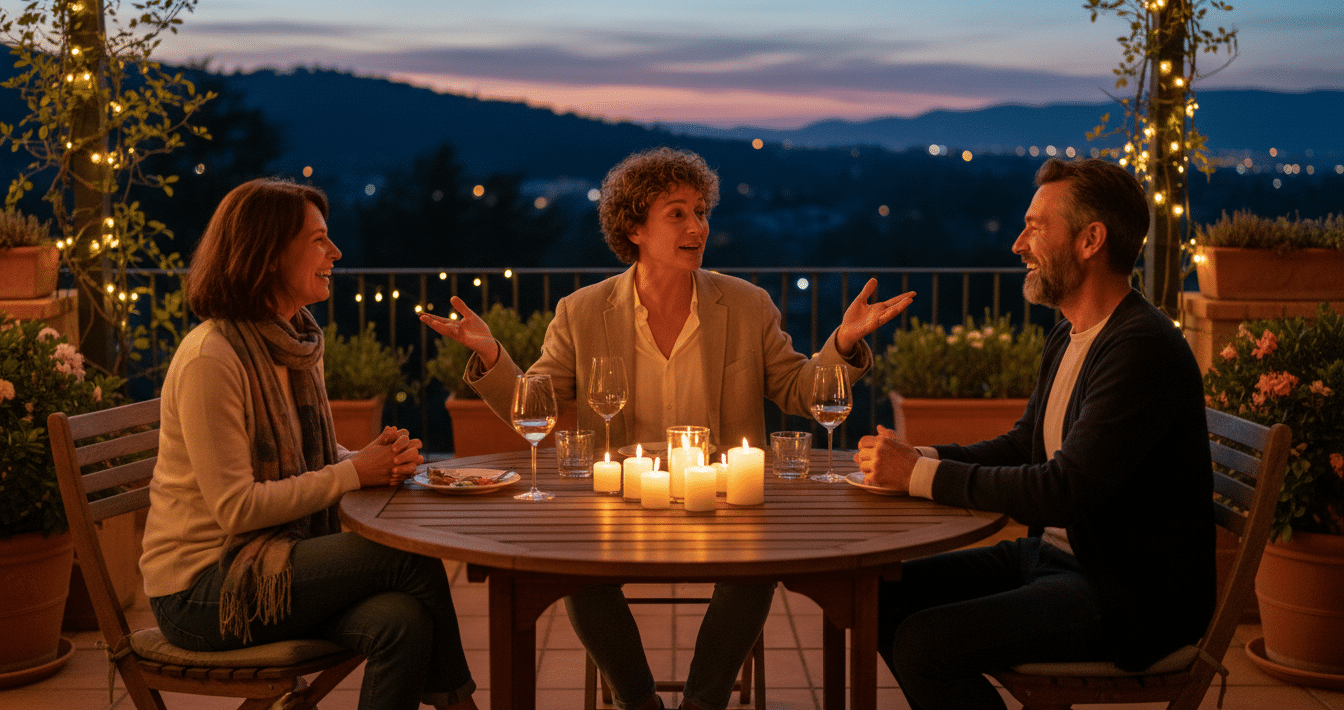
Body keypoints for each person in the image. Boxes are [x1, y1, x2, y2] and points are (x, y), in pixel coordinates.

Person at [422, 146, 915, 710]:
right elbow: (534, 404)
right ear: (634, 227)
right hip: (621, 499)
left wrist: (844, 343)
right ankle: (639, 702)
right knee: (574, 571)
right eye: (677, 213)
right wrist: (490, 357)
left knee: (757, 568)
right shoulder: (581, 312)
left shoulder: (746, 305)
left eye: (702, 212)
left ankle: (703, 704)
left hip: (722, 496)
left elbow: (801, 391)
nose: (697, 227)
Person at [853, 158, 1215, 710]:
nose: (1019, 244)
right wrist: (914, 457)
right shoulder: (1073, 334)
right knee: (876, 596)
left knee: (925, 644)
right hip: (1056, 560)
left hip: (1125, 592)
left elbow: (1064, 489)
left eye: (1036, 227)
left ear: (1091, 239)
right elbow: (1025, 446)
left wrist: (921, 475)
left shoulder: (1141, 348)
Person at [140, 178, 477, 710]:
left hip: (272, 561)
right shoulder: (213, 359)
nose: (335, 253)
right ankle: (460, 705)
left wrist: (374, 461)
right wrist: (355, 472)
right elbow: (237, 508)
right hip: (202, 589)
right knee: (410, 560)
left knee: (403, 621)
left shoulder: (295, 342)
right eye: (318, 240)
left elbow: (306, 457)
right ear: (269, 253)